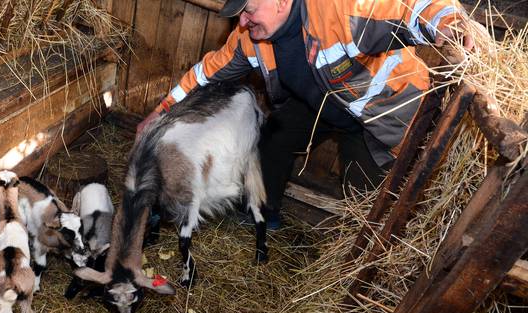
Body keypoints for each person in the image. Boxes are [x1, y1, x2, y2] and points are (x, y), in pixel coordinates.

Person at [137, 0, 475, 230]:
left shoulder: (339, 9)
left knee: (367, 199)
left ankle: (357, 260)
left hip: (378, 115)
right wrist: (159, 113)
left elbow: (412, 6)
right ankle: (263, 216)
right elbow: (205, 74)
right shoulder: (250, 37)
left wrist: (450, 24)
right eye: (239, 12)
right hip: (316, 101)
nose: (242, 20)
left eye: (249, 9)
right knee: (273, 139)